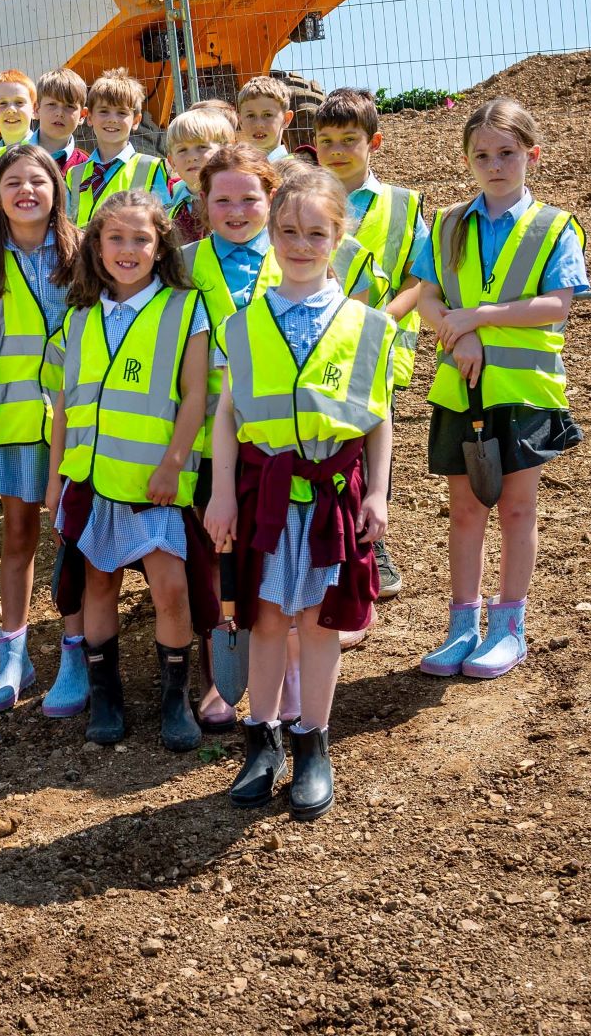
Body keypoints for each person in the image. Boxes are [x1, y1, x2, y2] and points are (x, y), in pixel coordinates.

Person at [204, 164, 395, 821]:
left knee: (318, 624)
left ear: (338, 238)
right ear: (271, 231)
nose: (300, 244)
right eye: (287, 231)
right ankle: (262, 741)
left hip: (332, 492)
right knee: (263, 621)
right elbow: (227, 415)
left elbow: (378, 416)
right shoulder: (243, 324)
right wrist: (221, 495)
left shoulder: (365, 323)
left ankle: (313, 742)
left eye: (316, 233)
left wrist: (379, 494)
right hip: (264, 491)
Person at [412, 97, 588, 681]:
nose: (495, 164)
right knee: (464, 510)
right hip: (460, 389)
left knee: (516, 508)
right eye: (482, 154)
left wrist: (475, 319)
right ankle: (462, 627)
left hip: (525, 393)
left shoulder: (555, 226)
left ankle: (509, 627)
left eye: (507, 153)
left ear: (531, 156)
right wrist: (455, 333)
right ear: (467, 160)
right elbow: (429, 297)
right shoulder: (445, 223)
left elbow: (554, 305)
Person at [44, 191, 210, 748]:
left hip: (153, 484)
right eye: (114, 237)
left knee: (170, 589)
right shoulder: (79, 317)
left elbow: (194, 399)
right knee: (97, 583)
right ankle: (106, 694)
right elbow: (64, 405)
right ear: (95, 246)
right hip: (89, 481)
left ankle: (174, 699)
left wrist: (173, 464)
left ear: (161, 246)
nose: (128, 248)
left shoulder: (185, 307)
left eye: (141, 238)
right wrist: (55, 479)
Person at [314, 86, 436, 604]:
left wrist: (384, 321)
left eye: (349, 139)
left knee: (370, 446)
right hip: (313, 348)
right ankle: (327, 546)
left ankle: (372, 550)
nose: (337, 150)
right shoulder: (301, 198)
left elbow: (422, 278)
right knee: (325, 445)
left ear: (374, 142)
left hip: (376, 346)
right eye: (326, 140)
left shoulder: (405, 206)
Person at [0, 146, 78, 714]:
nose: (26, 191)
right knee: (17, 537)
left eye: (38, 180)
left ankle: (76, 651)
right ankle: (13, 653)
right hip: (12, 419)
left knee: (77, 537)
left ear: (57, 189)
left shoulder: (82, 253)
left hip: (80, 418)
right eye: (13, 182)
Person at [64, 69, 174, 226]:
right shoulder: (74, 175)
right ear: (89, 117)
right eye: (104, 111)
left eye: (122, 113)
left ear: (136, 120)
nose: (112, 119)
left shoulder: (152, 168)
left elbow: (163, 225)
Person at [162, 106, 236, 244]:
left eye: (201, 147)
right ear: (172, 162)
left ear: (226, 151)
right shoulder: (168, 210)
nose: (191, 157)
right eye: (182, 150)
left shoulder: (238, 202)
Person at [34, 68, 89, 174]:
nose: (59, 113)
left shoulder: (86, 167)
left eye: (69, 106)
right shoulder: (13, 157)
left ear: (82, 115)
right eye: (51, 104)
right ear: (36, 109)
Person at [235, 75, 294, 162]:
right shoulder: (237, 170)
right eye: (250, 115)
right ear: (240, 121)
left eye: (267, 115)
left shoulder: (295, 172)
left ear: (286, 119)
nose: (258, 124)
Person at [0, 70, 38, 156]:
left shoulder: (51, 155)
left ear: (34, 109)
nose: (11, 109)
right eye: (2, 103)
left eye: (19, 102)